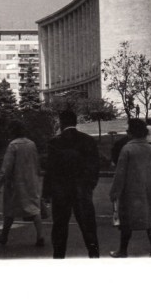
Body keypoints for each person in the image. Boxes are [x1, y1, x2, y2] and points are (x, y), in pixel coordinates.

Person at [42, 110, 101, 258]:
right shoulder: (88, 140)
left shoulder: (55, 142)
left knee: (60, 227)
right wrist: (90, 185)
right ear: (75, 122)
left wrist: (46, 193)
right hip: (82, 189)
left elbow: (50, 170)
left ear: (61, 123)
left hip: (61, 191)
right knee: (88, 226)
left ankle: (59, 257)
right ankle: (94, 255)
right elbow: (95, 166)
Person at [109, 118, 151, 258]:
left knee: (126, 222)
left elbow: (120, 173)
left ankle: (123, 250)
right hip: (148, 190)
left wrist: (114, 191)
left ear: (131, 132)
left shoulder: (127, 149)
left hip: (130, 191)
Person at [0, 120, 44, 247]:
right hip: (31, 181)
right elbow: (36, 162)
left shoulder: (13, 145)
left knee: (10, 209)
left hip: (15, 183)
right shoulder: (31, 144)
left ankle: (4, 236)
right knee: (34, 208)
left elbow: (6, 166)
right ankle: (40, 235)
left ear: (13, 131)